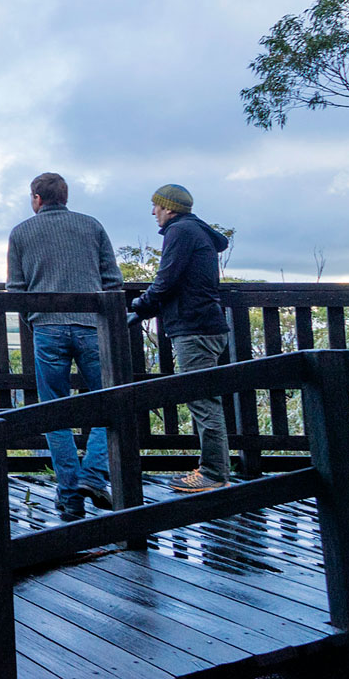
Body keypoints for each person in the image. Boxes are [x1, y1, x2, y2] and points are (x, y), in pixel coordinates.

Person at [7, 172, 122, 520]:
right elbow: (112, 281)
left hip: (47, 328)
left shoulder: (21, 232)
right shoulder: (92, 226)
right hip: (92, 326)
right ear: (65, 197)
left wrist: (35, 317)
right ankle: (93, 476)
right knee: (108, 406)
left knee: (55, 412)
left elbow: (16, 289)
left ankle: (70, 495)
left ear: (37, 199)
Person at [129, 184, 231, 492]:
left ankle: (213, 473)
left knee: (203, 400)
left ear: (169, 208)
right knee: (204, 398)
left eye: (156, 206)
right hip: (204, 325)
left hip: (195, 328)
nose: (153, 212)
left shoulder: (181, 232)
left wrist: (138, 306)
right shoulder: (194, 230)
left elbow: (166, 280)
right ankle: (213, 469)